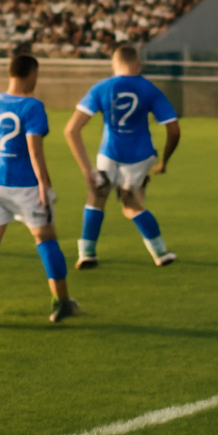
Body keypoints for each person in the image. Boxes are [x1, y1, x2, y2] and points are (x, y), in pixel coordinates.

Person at [0, 54, 79, 326]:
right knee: (46, 239)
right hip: (26, 187)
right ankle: (62, 302)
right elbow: (34, 149)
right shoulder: (33, 107)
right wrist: (44, 184)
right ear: (31, 74)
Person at [63, 44, 181, 268]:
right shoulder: (149, 89)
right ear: (138, 64)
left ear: (113, 65)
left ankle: (86, 253)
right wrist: (165, 161)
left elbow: (71, 130)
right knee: (132, 204)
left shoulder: (101, 87)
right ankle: (160, 253)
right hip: (141, 156)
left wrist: (87, 170)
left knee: (97, 197)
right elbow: (173, 130)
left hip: (110, 153)